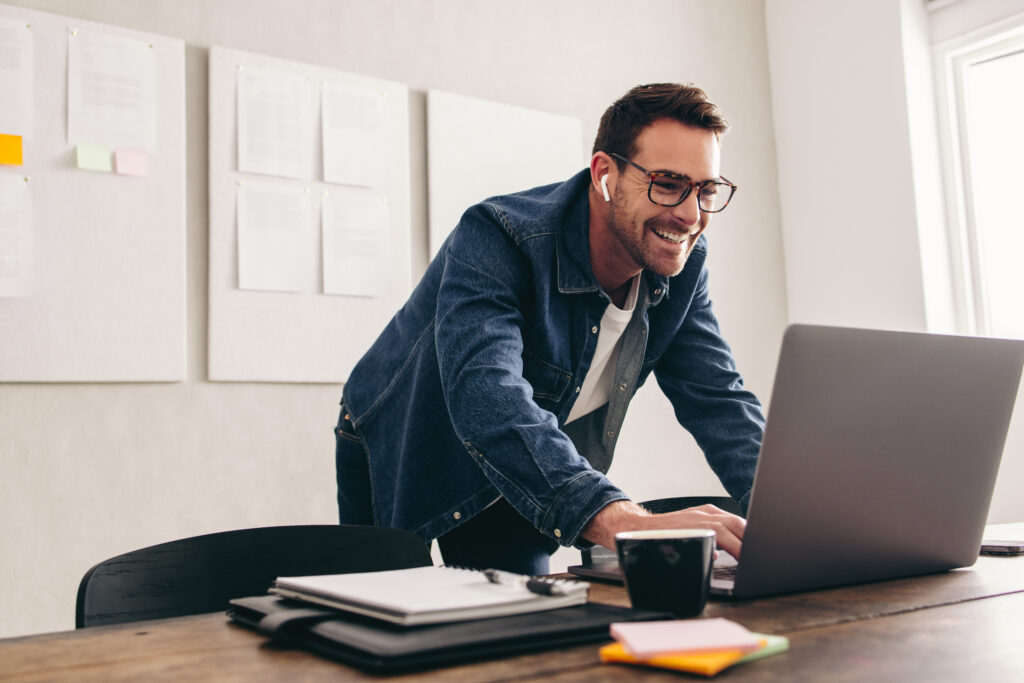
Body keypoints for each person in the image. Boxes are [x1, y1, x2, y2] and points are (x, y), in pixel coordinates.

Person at [335, 83, 765, 575]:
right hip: (404, 429)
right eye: (667, 184)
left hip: (525, 451)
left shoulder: (682, 265)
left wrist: (793, 517)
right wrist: (627, 522)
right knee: (383, 608)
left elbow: (719, 399)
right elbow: (488, 395)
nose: (691, 216)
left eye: (706, 190)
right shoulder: (499, 235)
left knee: (518, 622)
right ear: (605, 174)